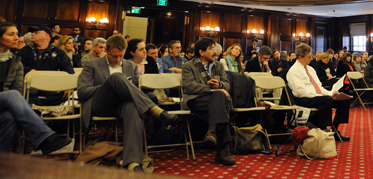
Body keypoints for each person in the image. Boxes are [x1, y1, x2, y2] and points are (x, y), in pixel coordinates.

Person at [78, 35, 178, 172]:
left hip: (122, 106)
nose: (118, 60)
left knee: (132, 108)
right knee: (116, 78)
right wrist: (108, 86)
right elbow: (82, 92)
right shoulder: (92, 64)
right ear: (106, 50)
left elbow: (135, 92)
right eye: (114, 56)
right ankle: (155, 110)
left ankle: (132, 163)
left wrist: (125, 86)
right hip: (100, 105)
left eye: (121, 56)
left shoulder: (130, 65)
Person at [1, 22, 73, 153]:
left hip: (46, 95)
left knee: (9, 116)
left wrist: (66, 86)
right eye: (11, 34)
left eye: (16, 34)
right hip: (25, 95)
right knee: (15, 95)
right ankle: (45, 137)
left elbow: (69, 73)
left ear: (46, 36)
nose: (17, 38)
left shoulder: (15, 61)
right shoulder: (25, 52)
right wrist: (31, 71)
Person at [182, 37, 235, 166]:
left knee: (219, 98)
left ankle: (211, 131)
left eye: (215, 48)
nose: (215, 51)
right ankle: (223, 151)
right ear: (201, 52)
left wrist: (220, 84)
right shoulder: (188, 66)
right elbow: (189, 86)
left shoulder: (218, 65)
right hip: (196, 99)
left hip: (215, 101)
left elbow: (227, 84)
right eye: (211, 48)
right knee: (220, 99)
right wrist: (212, 89)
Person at [287, 43, 351, 142]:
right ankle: (323, 128)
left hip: (316, 97)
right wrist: (321, 96)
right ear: (300, 57)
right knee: (326, 100)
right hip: (303, 99)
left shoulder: (310, 69)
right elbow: (300, 92)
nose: (311, 59)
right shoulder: (293, 71)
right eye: (308, 57)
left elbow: (319, 87)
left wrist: (331, 93)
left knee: (344, 100)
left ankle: (334, 129)